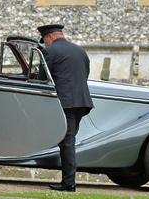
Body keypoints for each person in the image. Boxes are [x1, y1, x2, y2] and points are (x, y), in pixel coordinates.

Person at [38, 24, 93, 192]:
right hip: (82, 103)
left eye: (45, 41)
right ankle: (68, 181)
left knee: (67, 143)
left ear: (49, 37)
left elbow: (42, 79)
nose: (45, 44)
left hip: (66, 103)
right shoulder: (80, 51)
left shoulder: (50, 51)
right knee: (68, 142)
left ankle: (69, 184)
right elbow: (85, 74)